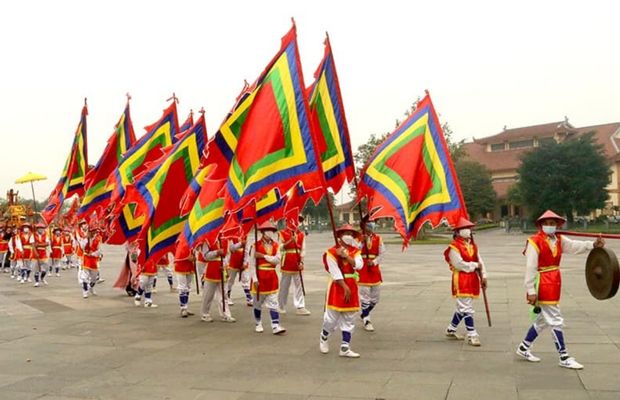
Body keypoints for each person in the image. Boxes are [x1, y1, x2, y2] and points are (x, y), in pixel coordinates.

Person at [516, 210, 604, 369]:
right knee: (555, 319)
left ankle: (523, 347)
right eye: (547, 223)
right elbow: (530, 267)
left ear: (557, 225)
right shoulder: (534, 241)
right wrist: (530, 290)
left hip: (554, 280)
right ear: (541, 225)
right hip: (543, 281)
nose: (550, 226)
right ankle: (563, 356)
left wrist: (592, 245)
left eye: (553, 223)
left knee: (543, 320)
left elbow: (573, 246)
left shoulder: (559, 239)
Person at [319, 224, 364, 358]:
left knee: (349, 317)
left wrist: (345, 256)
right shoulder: (331, 252)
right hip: (337, 285)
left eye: (351, 234)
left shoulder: (355, 251)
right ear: (339, 236)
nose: (349, 236)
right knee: (332, 318)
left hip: (352, 283)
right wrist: (344, 287)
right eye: (346, 233)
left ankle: (345, 347)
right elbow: (334, 271)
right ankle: (324, 336)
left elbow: (359, 265)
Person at [443, 217, 488, 346]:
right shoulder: (454, 247)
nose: (468, 231)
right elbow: (459, 264)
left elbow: (480, 260)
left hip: (472, 278)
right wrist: (474, 265)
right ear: (457, 232)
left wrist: (483, 275)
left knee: (462, 307)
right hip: (461, 278)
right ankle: (472, 334)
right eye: (464, 228)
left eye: (469, 228)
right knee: (466, 307)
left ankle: (451, 329)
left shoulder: (473, 245)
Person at [249, 221, 286, 335]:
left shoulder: (276, 245)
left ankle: (275, 325)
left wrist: (263, 256)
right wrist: (254, 279)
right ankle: (258, 323)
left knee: (273, 302)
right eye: (268, 230)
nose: (270, 232)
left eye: (272, 230)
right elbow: (252, 264)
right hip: (259, 276)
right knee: (257, 303)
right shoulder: (255, 245)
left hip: (271, 276)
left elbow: (277, 260)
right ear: (263, 232)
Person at [278, 216, 310, 316]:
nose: (297, 223)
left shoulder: (301, 234)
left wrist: (302, 262)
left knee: (299, 285)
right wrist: (290, 241)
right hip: (287, 260)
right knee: (284, 285)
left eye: (299, 221)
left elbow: (303, 250)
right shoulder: (282, 233)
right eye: (295, 220)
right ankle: (281, 305)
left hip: (298, 261)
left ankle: (300, 306)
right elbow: (280, 247)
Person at [358, 217, 386, 332]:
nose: (371, 226)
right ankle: (367, 320)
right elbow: (353, 251)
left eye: (372, 223)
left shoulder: (378, 238)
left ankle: (364, 313)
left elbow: (382, 253)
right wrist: (361, 243)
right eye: (369, 223)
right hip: (363, 269)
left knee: (375, 298)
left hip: (374, 269)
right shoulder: (358, 238)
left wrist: (374, 262)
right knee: (365, 297)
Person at [198, 239, 236, 323]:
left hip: (223, 268)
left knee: (223, 294)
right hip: (211, 268)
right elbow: (205, 256)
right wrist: (216, 252)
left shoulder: (224, 239)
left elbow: (228, 253)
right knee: (208, 294)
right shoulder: (207, 240)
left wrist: (226, 265)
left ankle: (225, 314)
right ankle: (205, 313)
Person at [225, 230, 253, 306]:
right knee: (230, 280)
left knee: (245, 279)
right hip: (233, 260)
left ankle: (249, 298)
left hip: (243, 260)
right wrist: (241, 244)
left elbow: (247, 250)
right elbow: (231, 248)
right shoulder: (230, 235)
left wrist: (245, 262)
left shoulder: (245, 234)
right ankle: (227, 297)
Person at [78, 225, 103, 298]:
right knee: (84, 277)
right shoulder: (85, 238)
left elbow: (99, 250)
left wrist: (93, 254)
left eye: (94, 231)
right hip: (86, 259)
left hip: (94, 260)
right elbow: (82, 247)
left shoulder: (98, 239)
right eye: (91, 231)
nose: (93, 233)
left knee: (94, 278)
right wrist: (85, 239)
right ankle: (85, 291)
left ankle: (91, 287)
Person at [173, 243, 196, 318]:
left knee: (188, 287)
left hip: (189, 265)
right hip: (181, 265)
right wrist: (186, 257)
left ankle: (185, 306)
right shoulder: (179, 239)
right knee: (182, 287)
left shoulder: (191, 239)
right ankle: (183, 308)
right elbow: (177, 251)